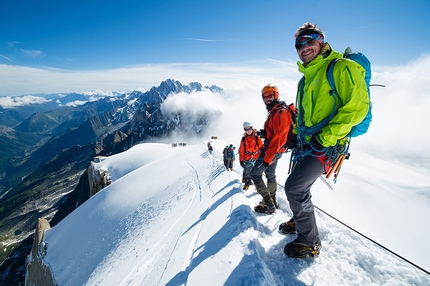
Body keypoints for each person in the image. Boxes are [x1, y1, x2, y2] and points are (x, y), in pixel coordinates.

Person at [280, 22, 369, 258]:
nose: (304, 47)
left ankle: (309, 241)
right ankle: (300, 222)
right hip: (308, 143)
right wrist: (295, 135)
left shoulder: (341, 68)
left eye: (309, 41)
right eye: (299, 44)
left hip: (328, 144)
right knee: (298, 185)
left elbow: (356, 109)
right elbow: (305, 114)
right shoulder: (304, 79)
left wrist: (325, 139)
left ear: (321, 40)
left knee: (295, 187)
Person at [251, 84, 292, 214]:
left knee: (255, 174)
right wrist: (264, 134)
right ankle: (272, 201)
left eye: (269, 95)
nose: (266, 98)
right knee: (270, 174)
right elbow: (274, 133)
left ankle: (268, 204)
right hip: (275, 150)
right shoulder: (275, 110)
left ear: (276, 95)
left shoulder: (281, 112)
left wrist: (268, 158)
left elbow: (279, 137)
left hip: (272, 151)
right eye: (264, 96)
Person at [239, 122, 263, 190]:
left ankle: (259, 186)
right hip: (248, 156)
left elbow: (261, 147)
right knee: (248, 171)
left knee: (258, 171)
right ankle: (247, 182)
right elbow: (242, 150)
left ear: (252, 128)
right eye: (246, 129)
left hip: (257, 156)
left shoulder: (257, 137)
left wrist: (262, 157)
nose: (248, 131)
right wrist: (241, 160)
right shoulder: (244, 139)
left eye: (249, 128)